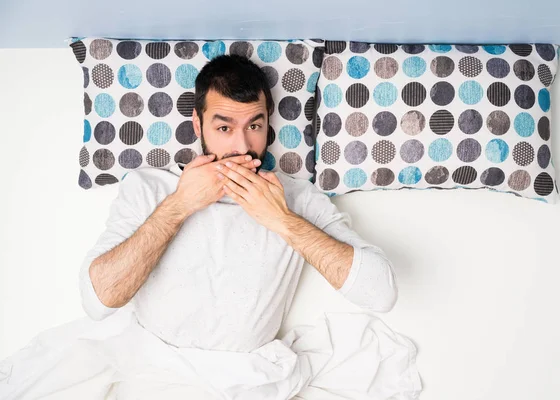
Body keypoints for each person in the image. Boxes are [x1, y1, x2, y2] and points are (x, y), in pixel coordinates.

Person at [80, 54, 398, 353]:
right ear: (197, 124)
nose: (242, 145)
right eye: (224, 128)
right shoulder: (147, 187)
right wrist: (179, 206)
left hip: (251, 378)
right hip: (152, 366)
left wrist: (282, 221)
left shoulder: (296, 197)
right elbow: (98, 301)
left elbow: (380, 294)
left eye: (254, 126)